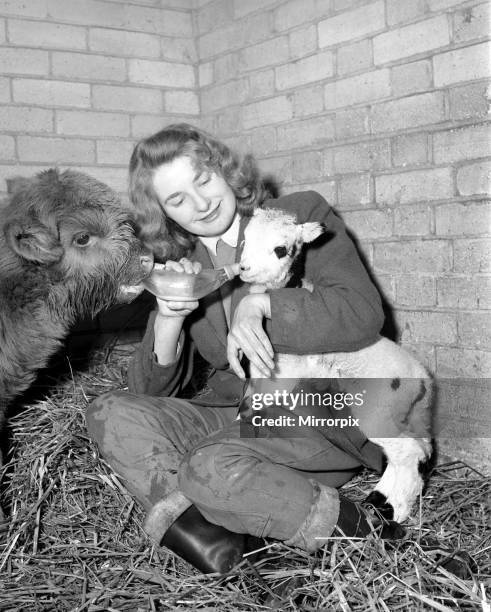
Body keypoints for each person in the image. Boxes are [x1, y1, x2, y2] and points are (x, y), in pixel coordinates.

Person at [85, 123, 405, 574]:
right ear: (164, 214)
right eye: (177, 200)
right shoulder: (190, 265)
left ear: (224, 170)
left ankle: (369, 537)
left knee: (207, 468)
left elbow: (362, 313)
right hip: (236, 415)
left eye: (203, 180)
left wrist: (263, 304)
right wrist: (171, 318)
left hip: (315, 413)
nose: (200, 203)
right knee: (111, 412)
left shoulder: (295, 215)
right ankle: (242, 556)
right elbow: (148, 392)